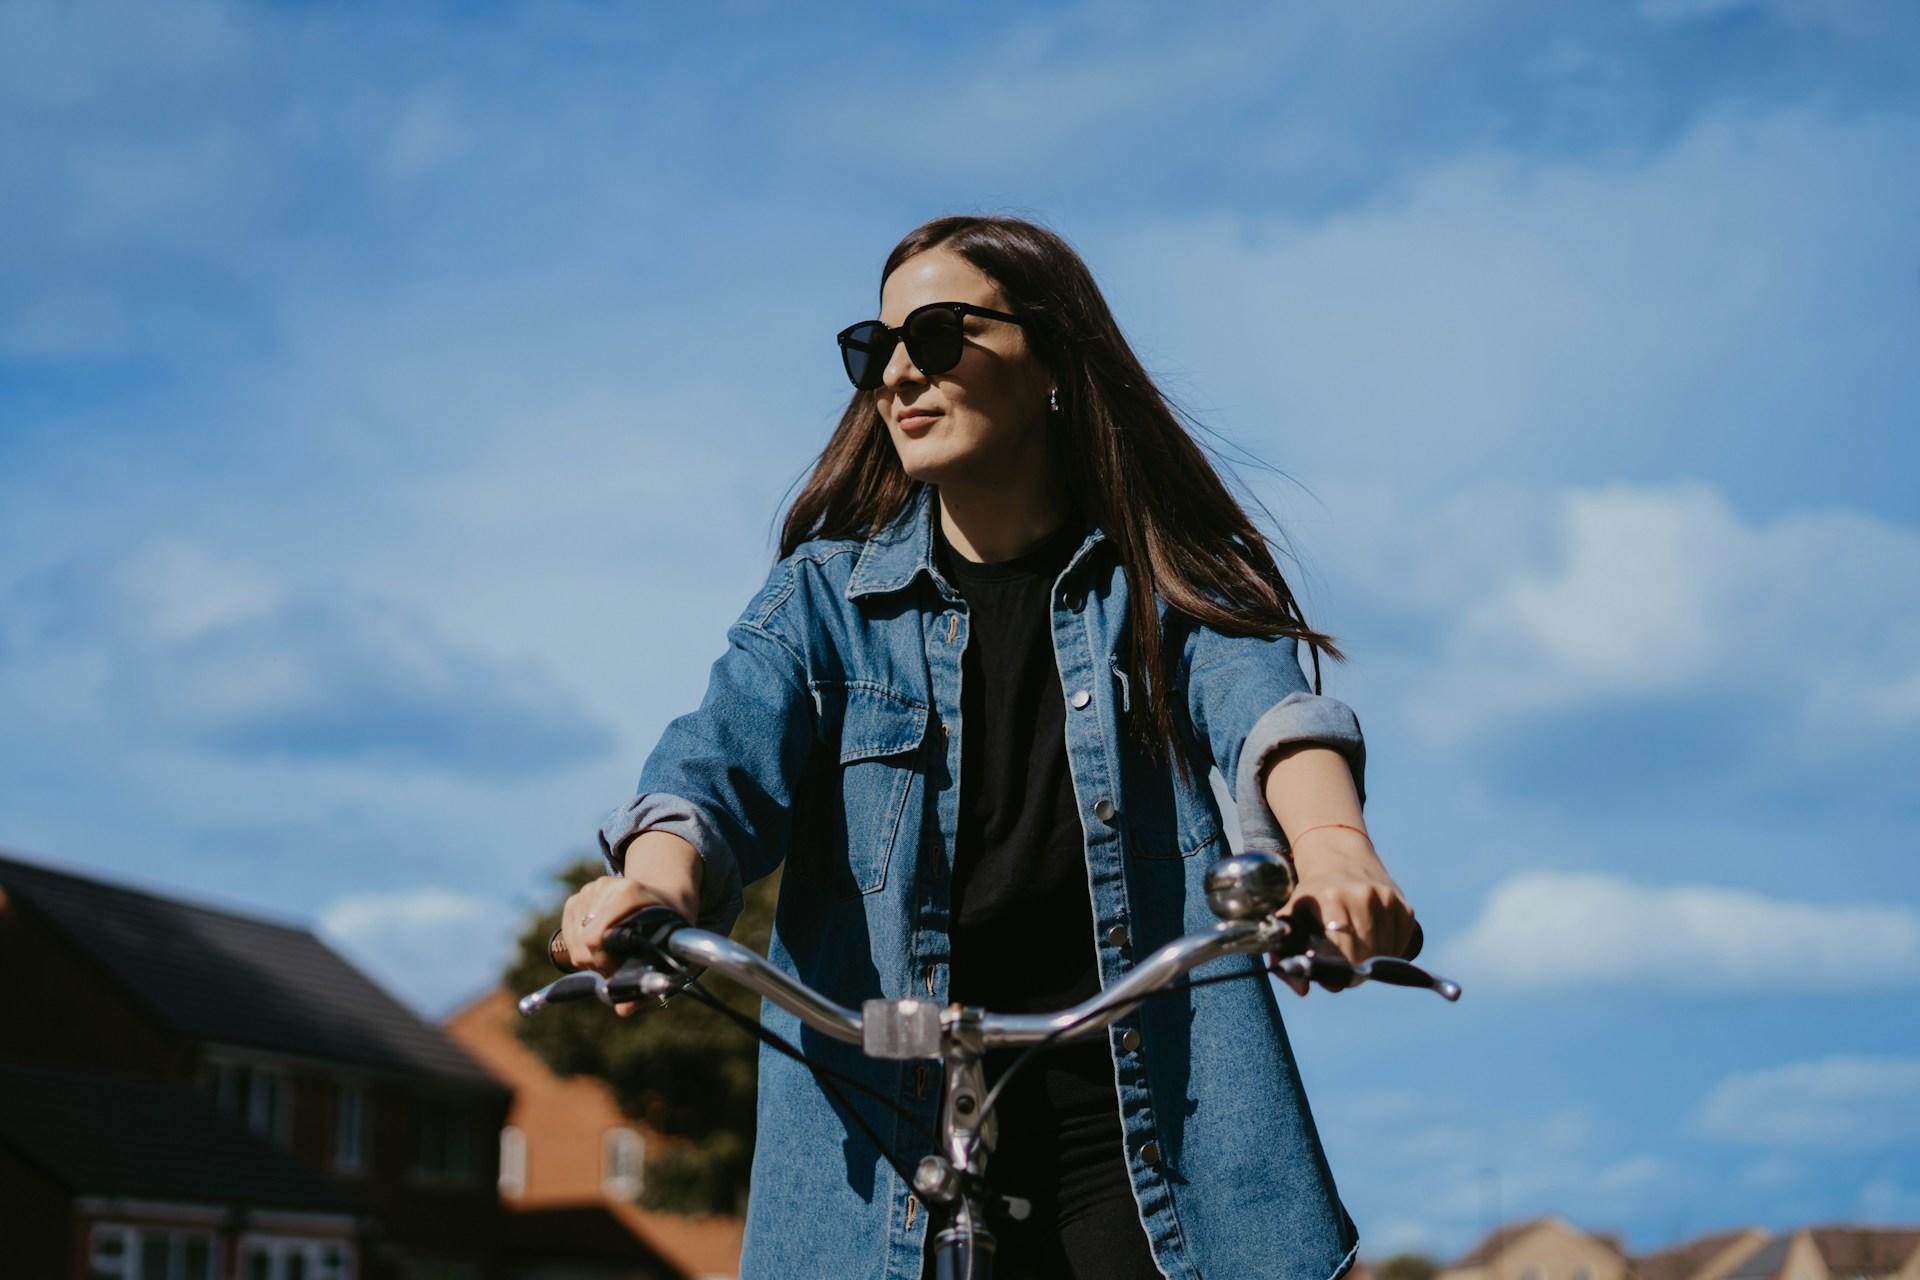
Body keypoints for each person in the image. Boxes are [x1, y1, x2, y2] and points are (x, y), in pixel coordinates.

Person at [557, 214, 1419, 1280]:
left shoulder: (1161, 579)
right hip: (883, 1145)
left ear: (1052, 356)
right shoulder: (824, 601)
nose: (898, 376)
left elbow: (1268, 712)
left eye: (939, 334)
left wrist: (1334, 849)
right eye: (874, 351)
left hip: (1146, 1134)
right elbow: (714, 767)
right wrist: (651, 891)